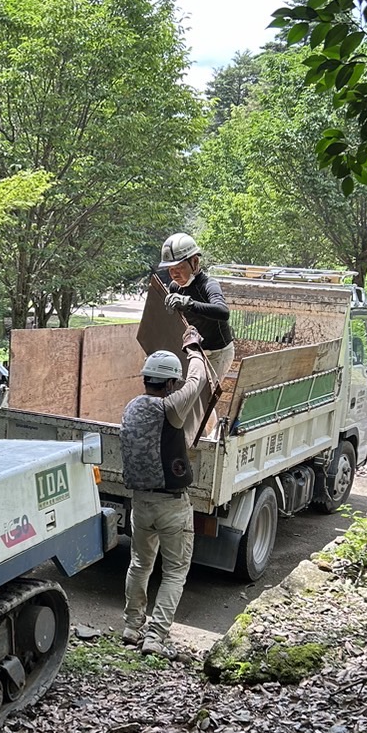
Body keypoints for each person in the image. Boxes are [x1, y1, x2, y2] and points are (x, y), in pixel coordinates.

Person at [120, 329, 210, 658]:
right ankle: (155, 636)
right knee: (174, 571)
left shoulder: (131, 408)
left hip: (140, 503)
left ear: (145, 379)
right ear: (170, 384)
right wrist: (195, 350)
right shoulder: (170, 407)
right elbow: (197, 381)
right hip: (172, 505)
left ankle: (132, 626)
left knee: (140, 564)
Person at [160, 233, 236, 389]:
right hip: (195, 350)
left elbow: (223, 312)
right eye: (170, 269)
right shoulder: (175, 287)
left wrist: (190, 304)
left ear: (194, 262)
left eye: (180, 267)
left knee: (205, 397)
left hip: (218, 352)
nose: (174, 274)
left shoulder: (209, 285)